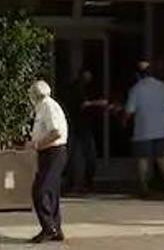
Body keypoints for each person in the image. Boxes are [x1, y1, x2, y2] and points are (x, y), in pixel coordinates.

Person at [123, 60, 164, 196]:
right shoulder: (162, 86)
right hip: (162, 129)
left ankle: (144, 187)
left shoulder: (136, 89)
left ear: (137, 75)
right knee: (162, 158)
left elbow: (129, 110)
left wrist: (124, 120)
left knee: (142, 159)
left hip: (143, 130)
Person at [28, 80, 69, 243]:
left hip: (53, 152)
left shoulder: (47, 106)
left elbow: (56, 132)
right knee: (51, 191)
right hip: (48, 153)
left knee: (41, 190)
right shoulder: (43, 107)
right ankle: (55, 228)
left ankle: (48, 227)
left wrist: (37, 144)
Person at [61, 69, 106, 194]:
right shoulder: (76, 89)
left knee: (81, 155)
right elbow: (82, 105)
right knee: (79, 155)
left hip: (82, 126)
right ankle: (77, 182)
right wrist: (96, 103)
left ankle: (81, 182)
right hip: (78, 126)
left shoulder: (85, 88)